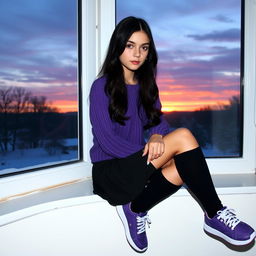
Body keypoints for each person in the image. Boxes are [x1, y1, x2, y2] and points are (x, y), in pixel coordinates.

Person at [89, 16, 256, 253]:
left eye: (144, 47)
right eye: (130, 45)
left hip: (135, 169)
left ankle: (135, 209)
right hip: (111, 173)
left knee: (183, 167)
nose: (137, 53)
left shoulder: (147, 86)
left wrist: (157, 138)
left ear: (149, 52)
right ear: (118, 47)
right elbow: (107, 141)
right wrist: (150, 159)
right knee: (184, 135)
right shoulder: (101, 86)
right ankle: (214, 212)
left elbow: (158, 122)